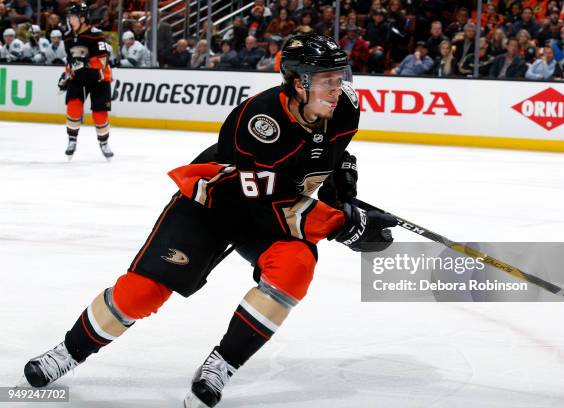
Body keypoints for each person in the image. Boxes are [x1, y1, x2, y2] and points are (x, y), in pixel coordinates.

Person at [22, 33, 396, 408]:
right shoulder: (258, 121)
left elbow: (330, 155)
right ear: (299, 82)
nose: (339, 87)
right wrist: (338, 226)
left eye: (340, 76)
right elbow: (268, 205)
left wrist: (346, 200)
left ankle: (222, 365)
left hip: (271, 207)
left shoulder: (346, 106)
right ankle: (68, 352)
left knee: (294, 268)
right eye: (328, 80)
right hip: (214, 203)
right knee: (143, 292)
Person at [58, 3, 113, 160]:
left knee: (99, 113)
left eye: (74, 17)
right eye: (70, 16)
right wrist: (66, 75)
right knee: (73, 106)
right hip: (78, 78)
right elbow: (70, 61)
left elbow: (104, 61)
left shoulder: (96, 35)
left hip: (99, 78)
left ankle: (104, 142)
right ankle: (72, 140)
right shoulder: (68, 36)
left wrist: (86, 63)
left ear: (83, 18)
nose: (70, 19)